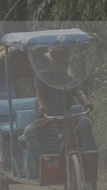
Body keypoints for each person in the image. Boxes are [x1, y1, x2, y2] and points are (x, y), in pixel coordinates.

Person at [24, 46, 96, 179]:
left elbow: (80, 95)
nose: (62, 66)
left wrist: (86, 102)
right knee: (29, 131)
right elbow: (39, 96)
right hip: (46, 118)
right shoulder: (43, 77)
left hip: (65, 118)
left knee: (85, 122)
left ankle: (89, 161)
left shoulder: (71, 80)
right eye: (58, 63)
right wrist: (41, 107)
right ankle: (38, 168)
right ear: (52, 63)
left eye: (65, 63)